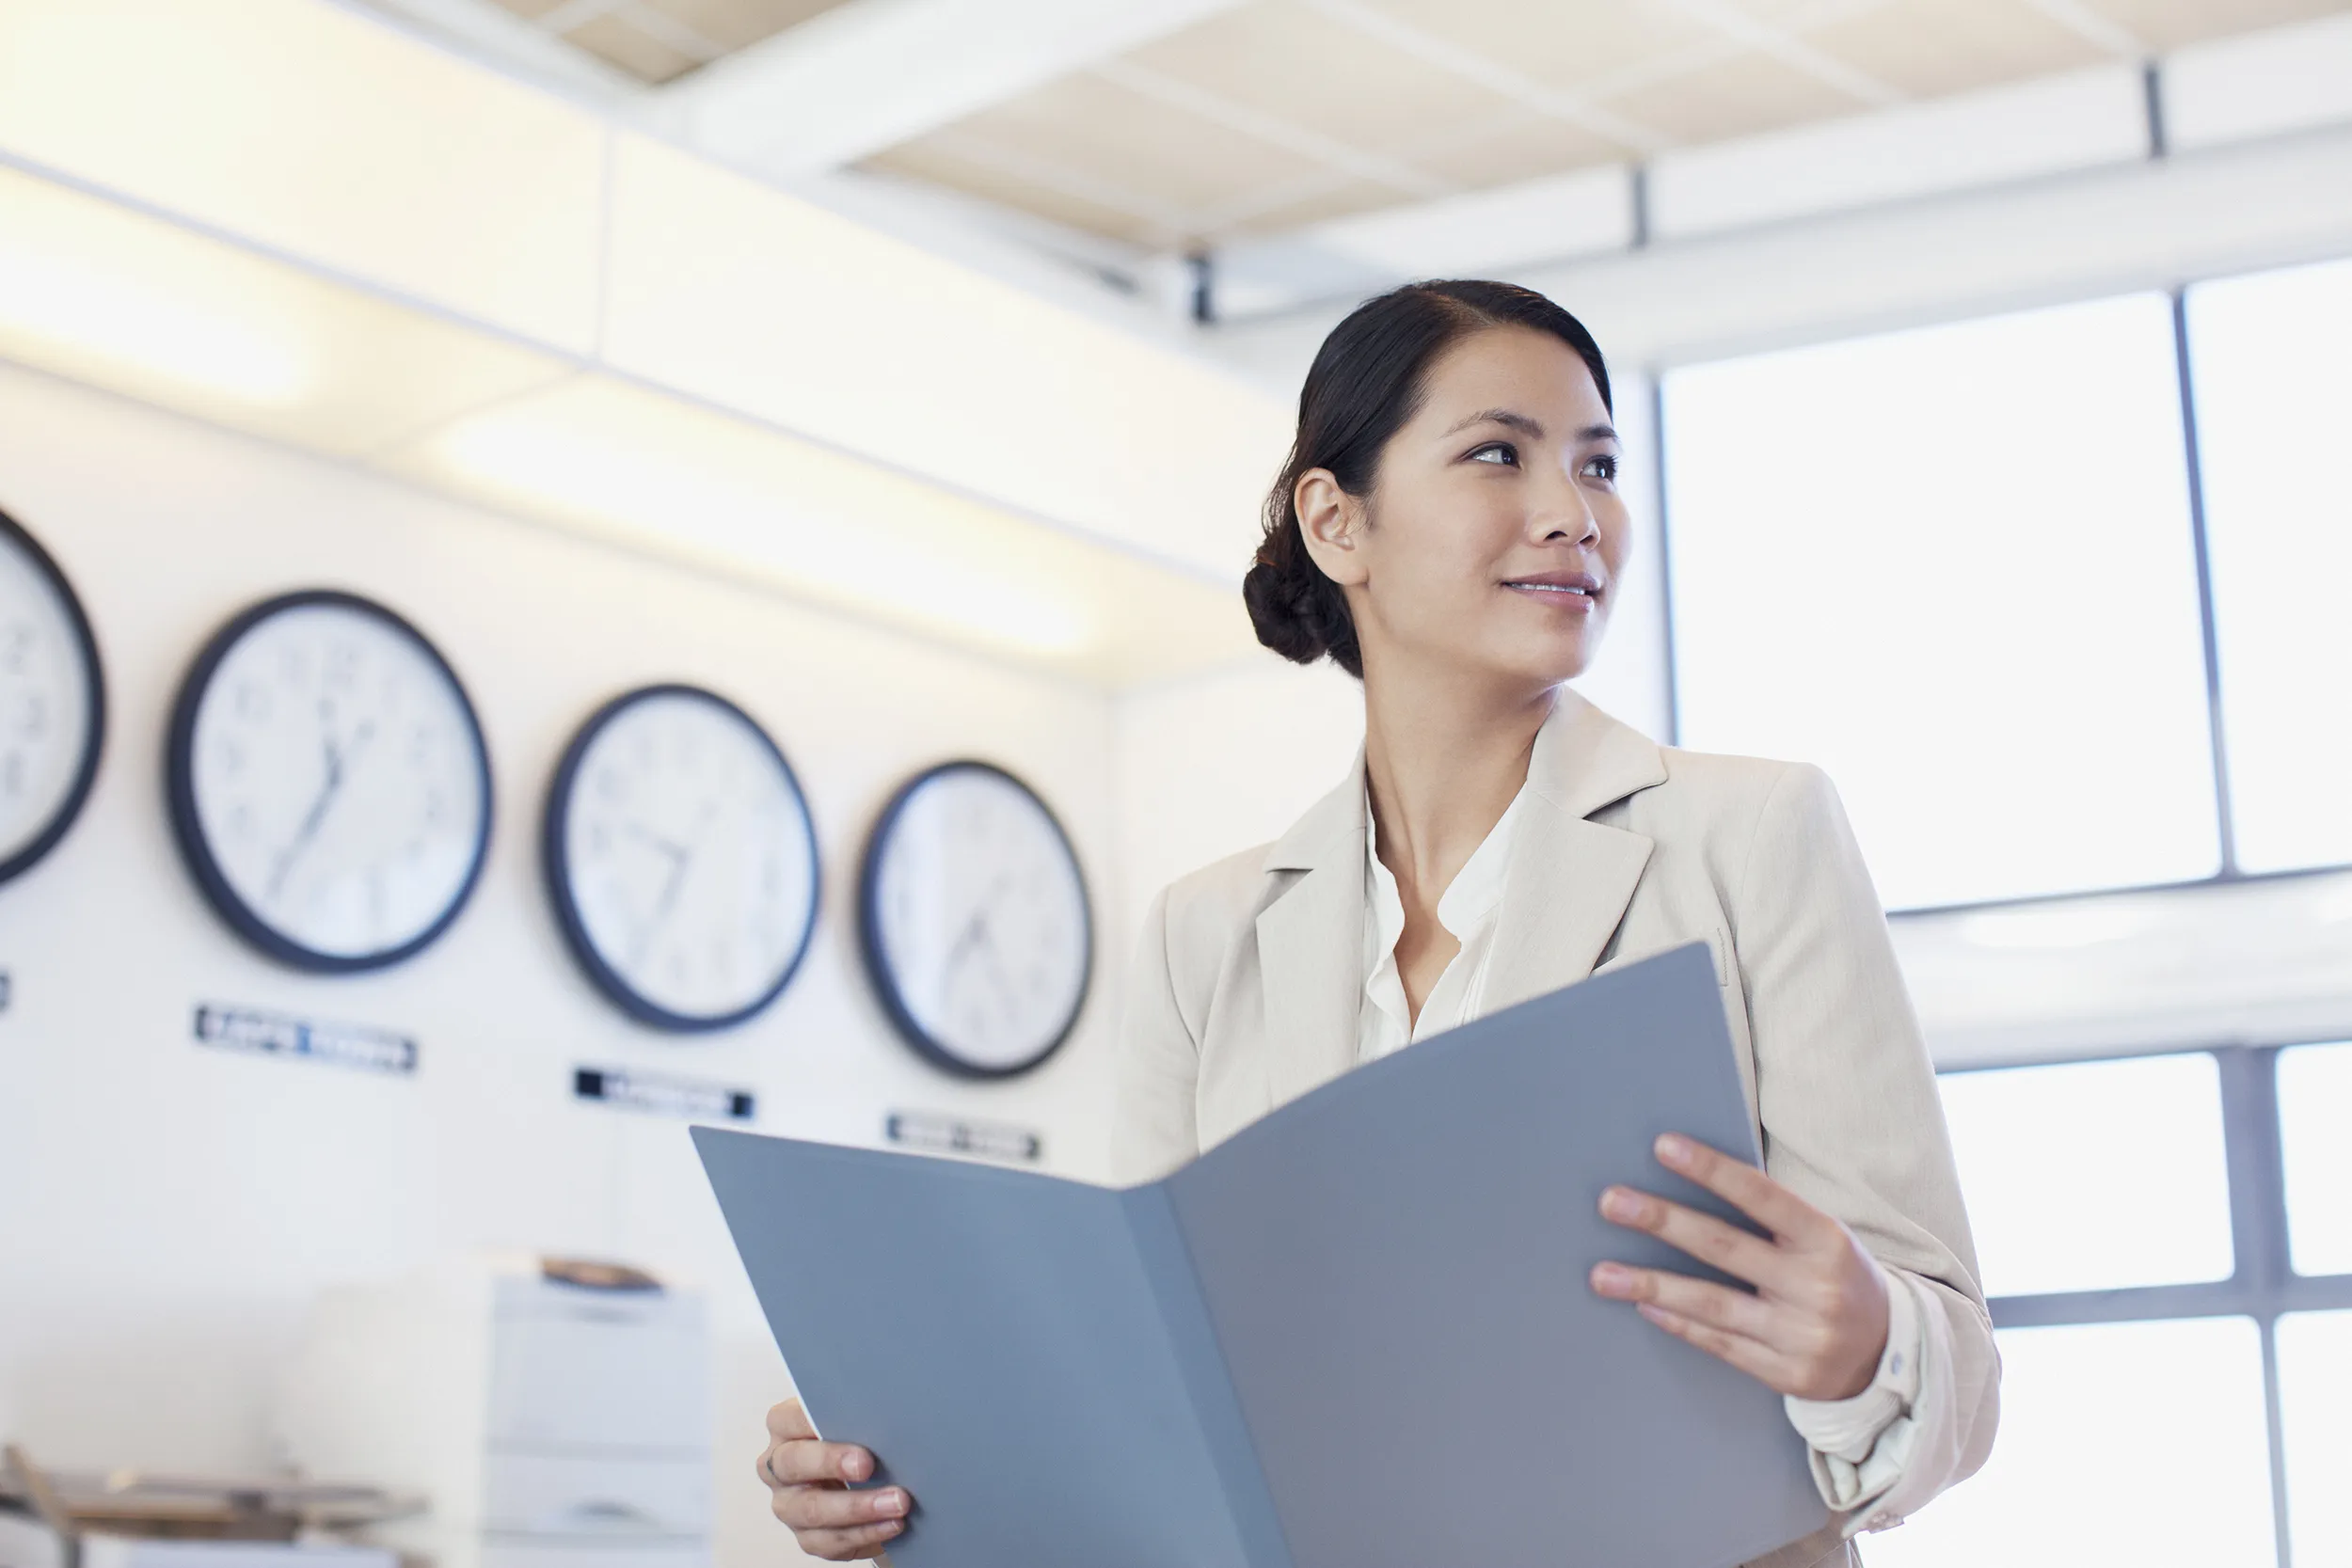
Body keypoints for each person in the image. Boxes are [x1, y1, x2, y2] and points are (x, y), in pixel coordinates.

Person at [755, 279, 1998, 1567]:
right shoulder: (1208, 935)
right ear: (1336, 520)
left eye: (1601, 464)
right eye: (1499, 453)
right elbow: (1152, 1399)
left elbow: (1958, 1369)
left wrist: (1869, 1344)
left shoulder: (1754, 834)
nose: (1576, 513)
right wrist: (912, 1472)